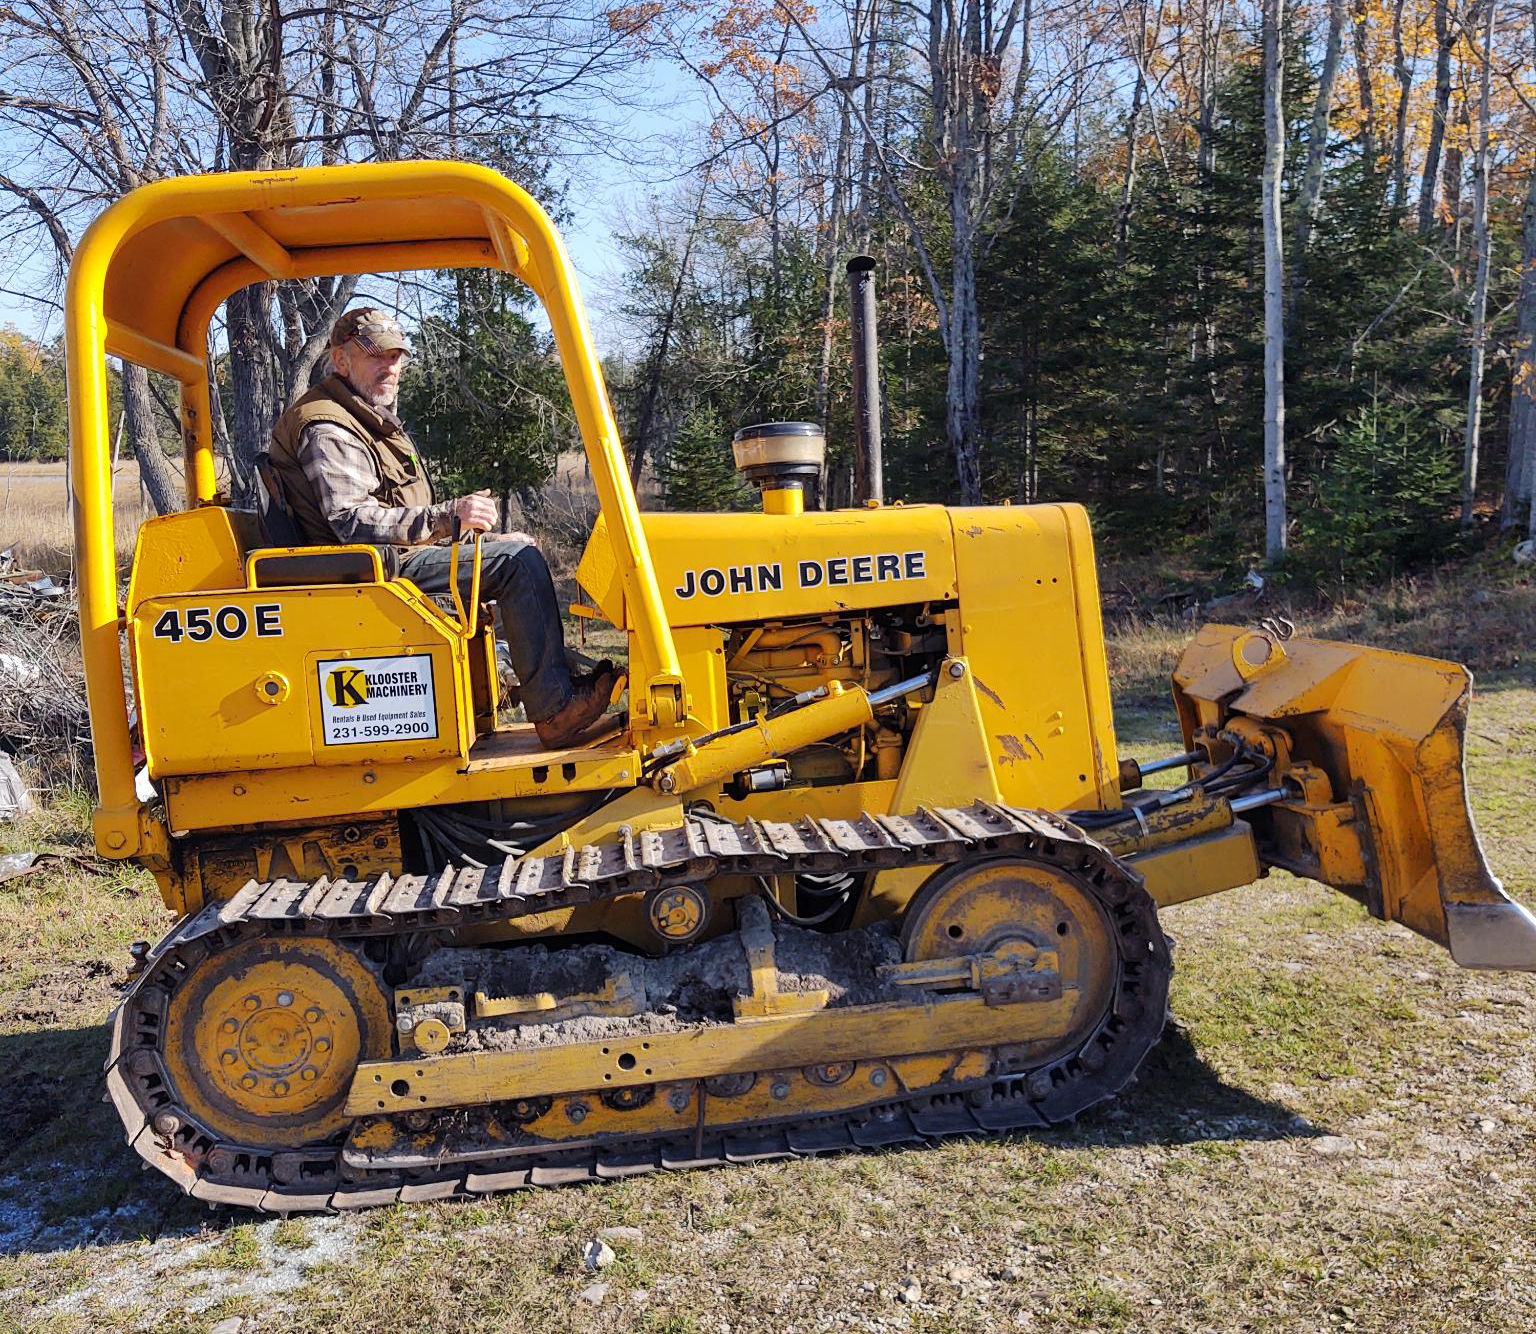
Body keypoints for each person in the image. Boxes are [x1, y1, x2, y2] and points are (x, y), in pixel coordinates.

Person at [263, 307, 616, 748]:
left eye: (396, 357)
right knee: (517, 565)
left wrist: (473, 533)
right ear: (341, 360)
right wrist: (449, 517)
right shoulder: (329, 426)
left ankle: (553, 683)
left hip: (385, 560)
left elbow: (395, 512)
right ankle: (556, 709)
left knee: (515, 551)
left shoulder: (365, 416)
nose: (389, 368)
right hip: (366, 572)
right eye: (376, 356)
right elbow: (351, 521)